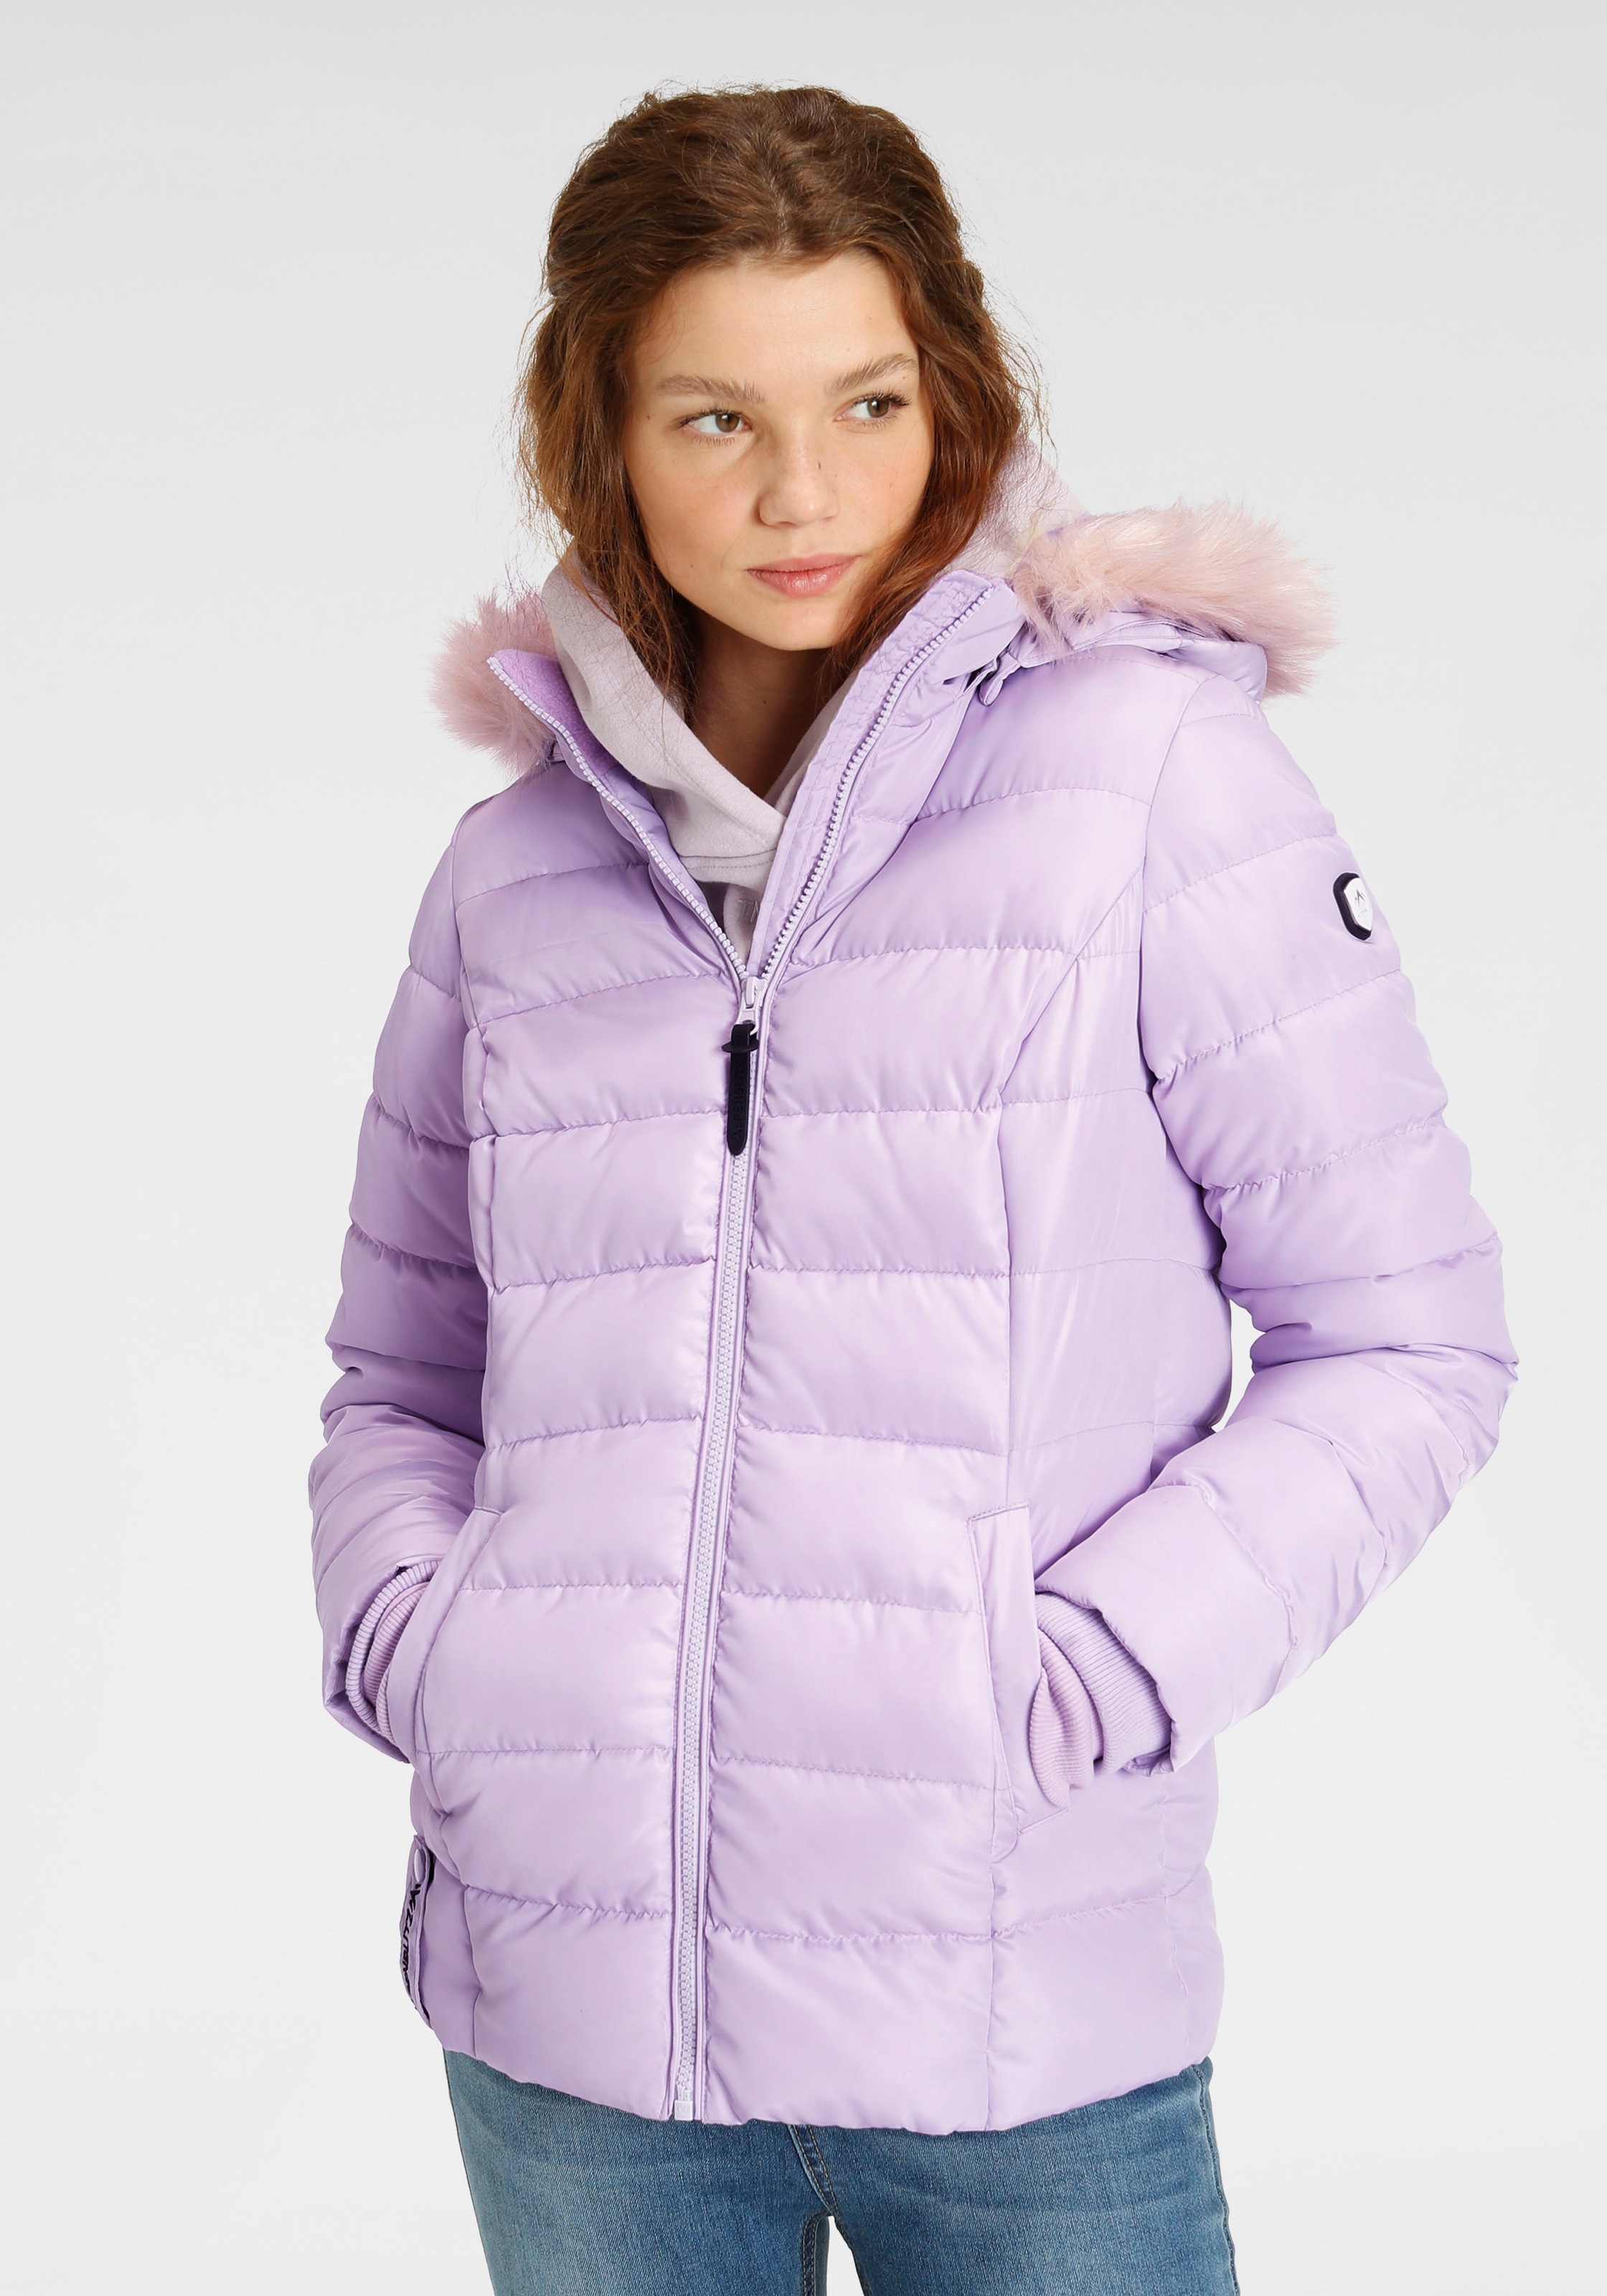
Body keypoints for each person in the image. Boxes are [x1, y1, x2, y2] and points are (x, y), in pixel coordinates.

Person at [308, 83, 1514, 2296]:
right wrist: (428, 1645)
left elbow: (1407, 1339)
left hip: (1014, 2009)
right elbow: (403, 1373)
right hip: (572, 2022)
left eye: (867, 402)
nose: (805, 494)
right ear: (598, 433)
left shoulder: (1152, 783)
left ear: (951, 386)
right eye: (715, 420)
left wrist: (1084, 1672)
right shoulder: (511, 881)